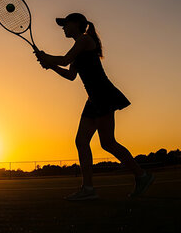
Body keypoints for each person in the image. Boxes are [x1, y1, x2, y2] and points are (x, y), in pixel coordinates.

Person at [35, 12, 154, 200]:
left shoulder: (84, 40)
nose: (63, 28)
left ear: (76, 24)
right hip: (93, 98)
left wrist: (46, 56)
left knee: (107, 142)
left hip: (102, 94)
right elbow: (70, 75)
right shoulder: (77, 47)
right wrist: (50, 65)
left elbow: (64, 60)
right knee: (82, 142)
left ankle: (142, 175)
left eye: (65, 24)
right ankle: (88, 189)